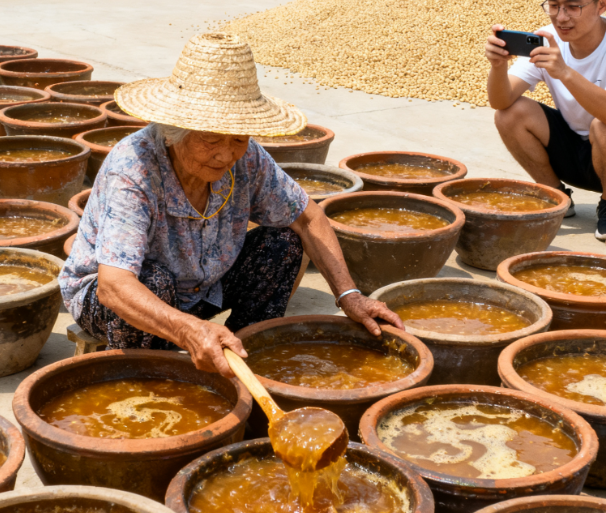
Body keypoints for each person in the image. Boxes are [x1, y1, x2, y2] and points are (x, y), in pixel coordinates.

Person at [59, 32, 403, 378]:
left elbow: (307, 218)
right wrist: (190, 330)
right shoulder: (134, 167)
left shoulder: (248, 157)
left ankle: (247, 361)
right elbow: (114, 286)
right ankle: (154, 377)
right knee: (153, 280)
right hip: (115, 300)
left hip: (204, 287)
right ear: (175, 130)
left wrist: (349, 295)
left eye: (238, 138)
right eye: (210, 139)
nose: (226, 155)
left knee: (283, 242)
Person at [484, 0, 606, 240]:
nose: (561, 17)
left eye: (573, 6)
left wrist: (564, 72)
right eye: (553, 5)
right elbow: (501, 101)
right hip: (573, 153)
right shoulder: (547, 39)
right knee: (510, 114)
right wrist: (498, 66)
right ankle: (556, 195)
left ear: (602, 5)